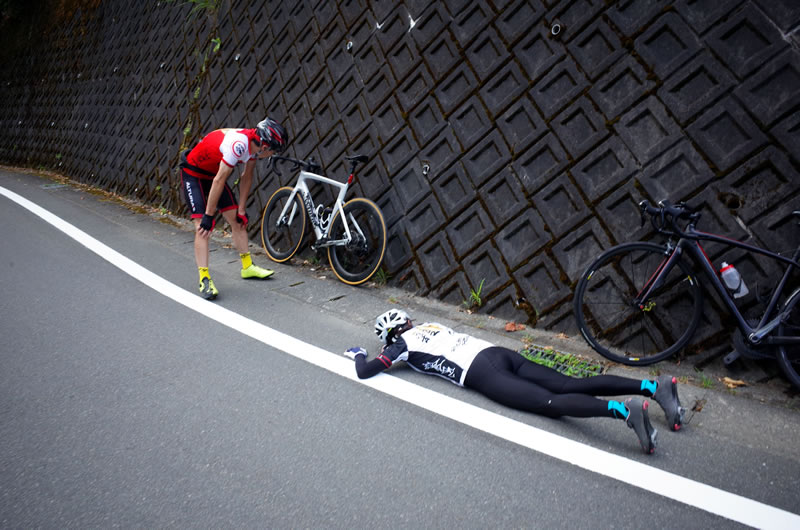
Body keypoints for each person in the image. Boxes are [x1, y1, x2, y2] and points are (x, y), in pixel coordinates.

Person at [344, 309, 687, 454]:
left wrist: (360, 354)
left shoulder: (401, 345)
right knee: (567, 383)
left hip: (481, 372)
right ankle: (654, 388)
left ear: (389, 335)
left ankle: (623, 412)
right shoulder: (428, 326)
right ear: (408, 320)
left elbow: (366, 371)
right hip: (498, 352)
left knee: (548, 404)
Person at [179, 117, 289, 299]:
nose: (272, 154)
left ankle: (247, 267)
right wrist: (208, 215)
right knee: (202, 228)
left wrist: (242, 209)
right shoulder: (239, 145)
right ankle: (204, 279)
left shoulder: (254, 148)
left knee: (238, 223)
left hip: (213, 174)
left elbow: (247, 175)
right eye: (274, 151)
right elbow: (219, 180)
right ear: (265, 147)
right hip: (194, 173)